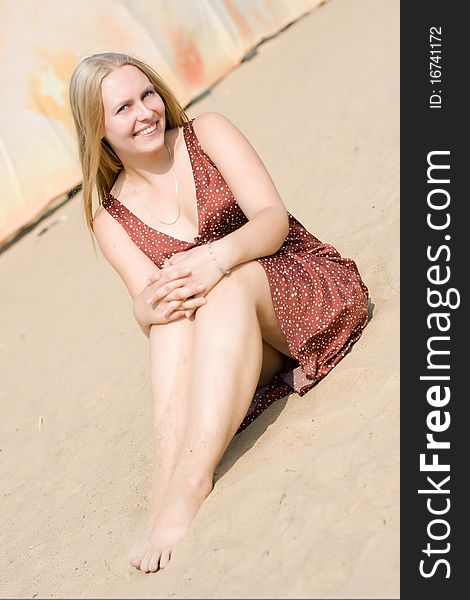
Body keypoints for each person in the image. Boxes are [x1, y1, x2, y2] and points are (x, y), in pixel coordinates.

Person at [68, 52, 369, 574]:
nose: (145, 112)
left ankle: (190, 484)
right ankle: (168, 479)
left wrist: (214, 260)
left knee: (222, 288)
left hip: (300, 284)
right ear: (98, 129)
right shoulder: (108, 218)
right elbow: (146, 308)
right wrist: (148, 306)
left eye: (148, 94)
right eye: (123, 107)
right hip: (241, 342)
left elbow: (272, 220)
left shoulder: (206, 132)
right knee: (168, 313)